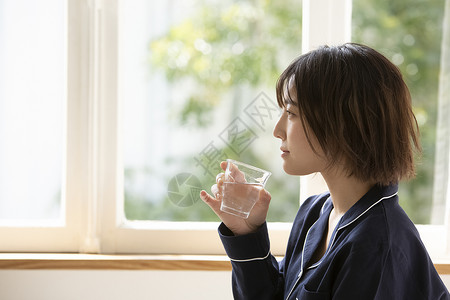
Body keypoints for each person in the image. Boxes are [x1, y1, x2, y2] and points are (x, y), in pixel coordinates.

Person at [199, 43, 450, 299]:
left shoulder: (377, 244)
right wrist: (247, 232)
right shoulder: (314, 213)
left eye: (291, 113)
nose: (277, 129)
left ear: (345, 124)